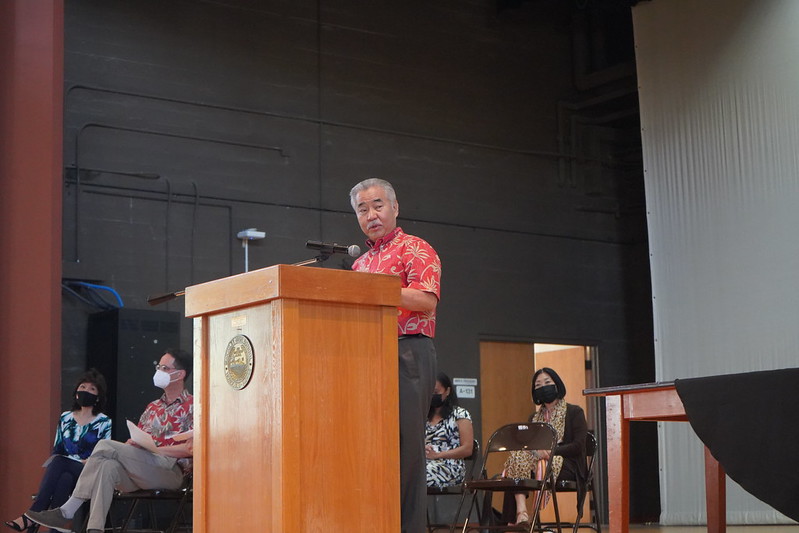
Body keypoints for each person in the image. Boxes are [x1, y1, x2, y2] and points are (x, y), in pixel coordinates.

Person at [350, 177, 442, 533]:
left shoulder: (415, 248)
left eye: (377, 206)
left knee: (406, 448)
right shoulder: (360, 264)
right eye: (362, 209)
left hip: (408, 352)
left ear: (394, 207)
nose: (371, 215)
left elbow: (426, 299)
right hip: (365, 356)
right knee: (369, 444)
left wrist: (380, 290)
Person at [26, 349, 194, 533]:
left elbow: (191, 449)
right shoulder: (153, 407)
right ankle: (95, 529)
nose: (159, 371)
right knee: (107, 466)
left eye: (165, 368)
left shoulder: (193, 406)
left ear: (180, 374)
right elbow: (141, 439)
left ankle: (68, 509)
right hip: (143, 467)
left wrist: (157, 448)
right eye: (158, 367)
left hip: (171, 471)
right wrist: (134, 444)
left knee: (105, 445)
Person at [4, 370, 111, 533]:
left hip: (88, 471)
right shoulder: (66, 418)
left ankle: (33, 514)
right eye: (83, 387)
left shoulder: (103, 421)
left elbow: (102, 454)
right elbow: (58, 448)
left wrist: (80, 461)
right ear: (76, 392)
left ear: (98, 397)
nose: (86, 391)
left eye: (92, 389)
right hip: (65, 470)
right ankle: (55, 529)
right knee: (64, 479)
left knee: (59, 462)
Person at [501, 367, 587, 526]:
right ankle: (522, 513)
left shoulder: (574, 412)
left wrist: (551, 452)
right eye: (538, 385)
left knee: (527, 467)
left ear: (557, 385)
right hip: (537, 462)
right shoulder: (534, 418)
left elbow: (578, 446)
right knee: (515, 460)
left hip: (569, 464)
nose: (543, 387)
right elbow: (528, 446)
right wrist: (536, 453)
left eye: (547, 383)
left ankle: (515, 521)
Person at [425, 372, 474, 488]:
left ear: (447, 391)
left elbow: (467, 449)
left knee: (419, 476)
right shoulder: (424, 416)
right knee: (404, 473)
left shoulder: (460, 414)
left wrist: (438, 455)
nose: (432, 396)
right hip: (426, 463)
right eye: (429, 392)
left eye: (436, 392)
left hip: (450, 466)